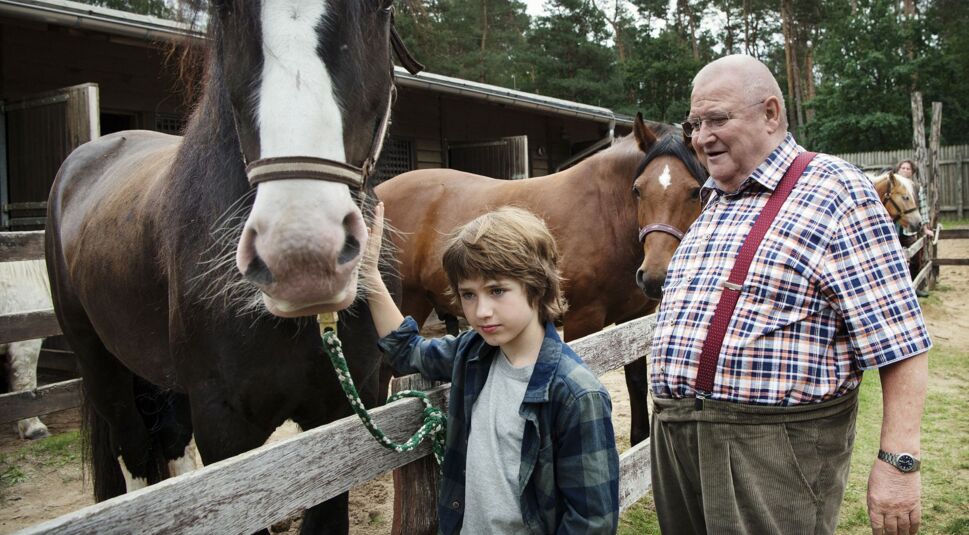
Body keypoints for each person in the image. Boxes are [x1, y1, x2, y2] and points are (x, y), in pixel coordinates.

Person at [649, 54, 931, 535]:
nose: (699, 138)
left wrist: (897, 463)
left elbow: (901, 342)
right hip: (677, 442)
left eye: (717, 120)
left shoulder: (836, 191)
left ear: (771, 113)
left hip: (774, 454)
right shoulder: (713, 200)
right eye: (694, 123)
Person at [363, 203, 620, 534]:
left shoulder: (576, 395)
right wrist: (370, 276)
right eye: (468, 295)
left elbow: (591, 523)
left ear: (537, 286)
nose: (481, 310)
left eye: (497, 290)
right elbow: (407, 349)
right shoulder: (472, 353)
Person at [895, 159, 933, 297]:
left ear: (913, 172)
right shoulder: (893, 185)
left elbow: (922, 210)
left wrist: (925, 228)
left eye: (908, 169)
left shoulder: (917, 188)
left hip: (908, 229)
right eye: (903, 168)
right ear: (898, 170)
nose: (905, 170)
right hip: (892, 228)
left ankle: (913, 287)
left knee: (914, 257)